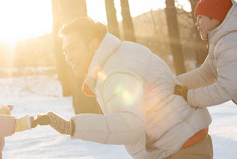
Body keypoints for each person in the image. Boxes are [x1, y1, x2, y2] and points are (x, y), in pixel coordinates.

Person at [32, 17, 213, 159]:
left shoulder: (116, 69)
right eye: (65, 51)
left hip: (182, 150)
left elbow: (129, 126)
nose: (68, 57)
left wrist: (71, 126)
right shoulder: (119, 54)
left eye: (73, 49)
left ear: (93, 45)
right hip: (177, 146)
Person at [174, 0, 237, 107]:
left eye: (200, 17)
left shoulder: (230, 43)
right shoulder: (222, 42)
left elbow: (226, 88)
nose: (196, 23)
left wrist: (188, 96)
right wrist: (173, 84)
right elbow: (205, 75)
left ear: (215, 18)